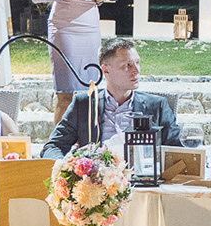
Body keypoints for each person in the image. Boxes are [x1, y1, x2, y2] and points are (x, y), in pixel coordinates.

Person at [44, 37, 184, 158]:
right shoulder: (84, 104)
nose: (136, 70)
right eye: (127, 65)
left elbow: (177, 151)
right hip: (97, 178)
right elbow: (52, 147)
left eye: (137, 62)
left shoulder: (157, 106)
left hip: (142, 178)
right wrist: (65, 166)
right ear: (106, 70)